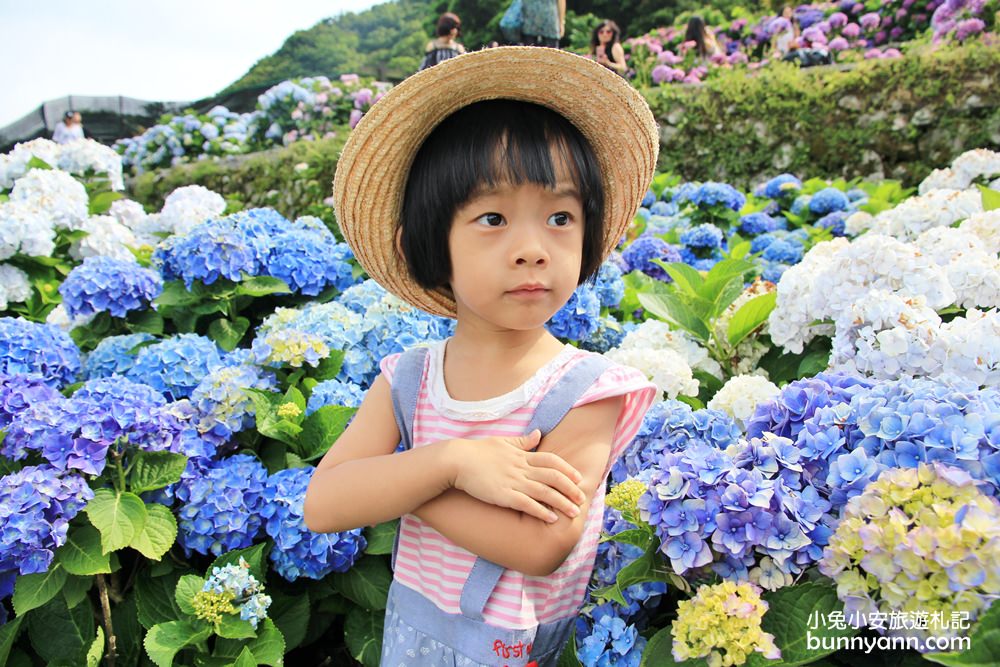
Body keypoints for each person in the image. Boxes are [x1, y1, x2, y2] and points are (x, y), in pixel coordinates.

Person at [307, 47, 660, 667]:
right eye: (492, 217)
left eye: (560, 216)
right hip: (414, 642)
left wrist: (407, 484)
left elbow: (541, 543)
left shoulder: (587, 390)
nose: (532, 248)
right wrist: (450, 461)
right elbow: (323, 504)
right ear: (425, 245)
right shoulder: (409, 379)